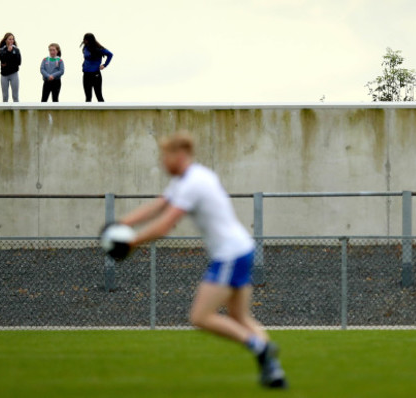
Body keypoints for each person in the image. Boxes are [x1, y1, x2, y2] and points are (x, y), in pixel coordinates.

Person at [110, 134, 288, 389]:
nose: (162, 162)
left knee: (200, 316)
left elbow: (164, 225)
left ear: (179, 155)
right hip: (241, 248)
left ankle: (259, 347)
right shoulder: (187, 179)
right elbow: (159, 205)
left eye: (165, 156)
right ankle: (273, 369)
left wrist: (130, 243)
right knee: (239, 316)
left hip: (229, 254)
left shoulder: (193, 182)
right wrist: (122, 224)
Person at [81, 33, 113, 102]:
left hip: (95, 74)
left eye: (86, 40)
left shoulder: (98, 49)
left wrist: (104, 65)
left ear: (90, 40)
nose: (84, 41)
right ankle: (88, 112)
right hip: (86, 74)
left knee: (99, 96)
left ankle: (104, 111)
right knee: (88, 97)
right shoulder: (85, 47)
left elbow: (110, 54)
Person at [0, 32, 21, 102]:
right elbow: (2, 60)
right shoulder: (1, 50)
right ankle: (5, 112)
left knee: (15, 96)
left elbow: (18, 62)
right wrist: (8, 52)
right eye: (9, 39)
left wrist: (8, 62)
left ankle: (16, 112)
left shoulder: (16, 50)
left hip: (14, 74)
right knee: (5, 96)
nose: (11, 41)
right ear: (5, 40)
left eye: (12, 39)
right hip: (4, 75)